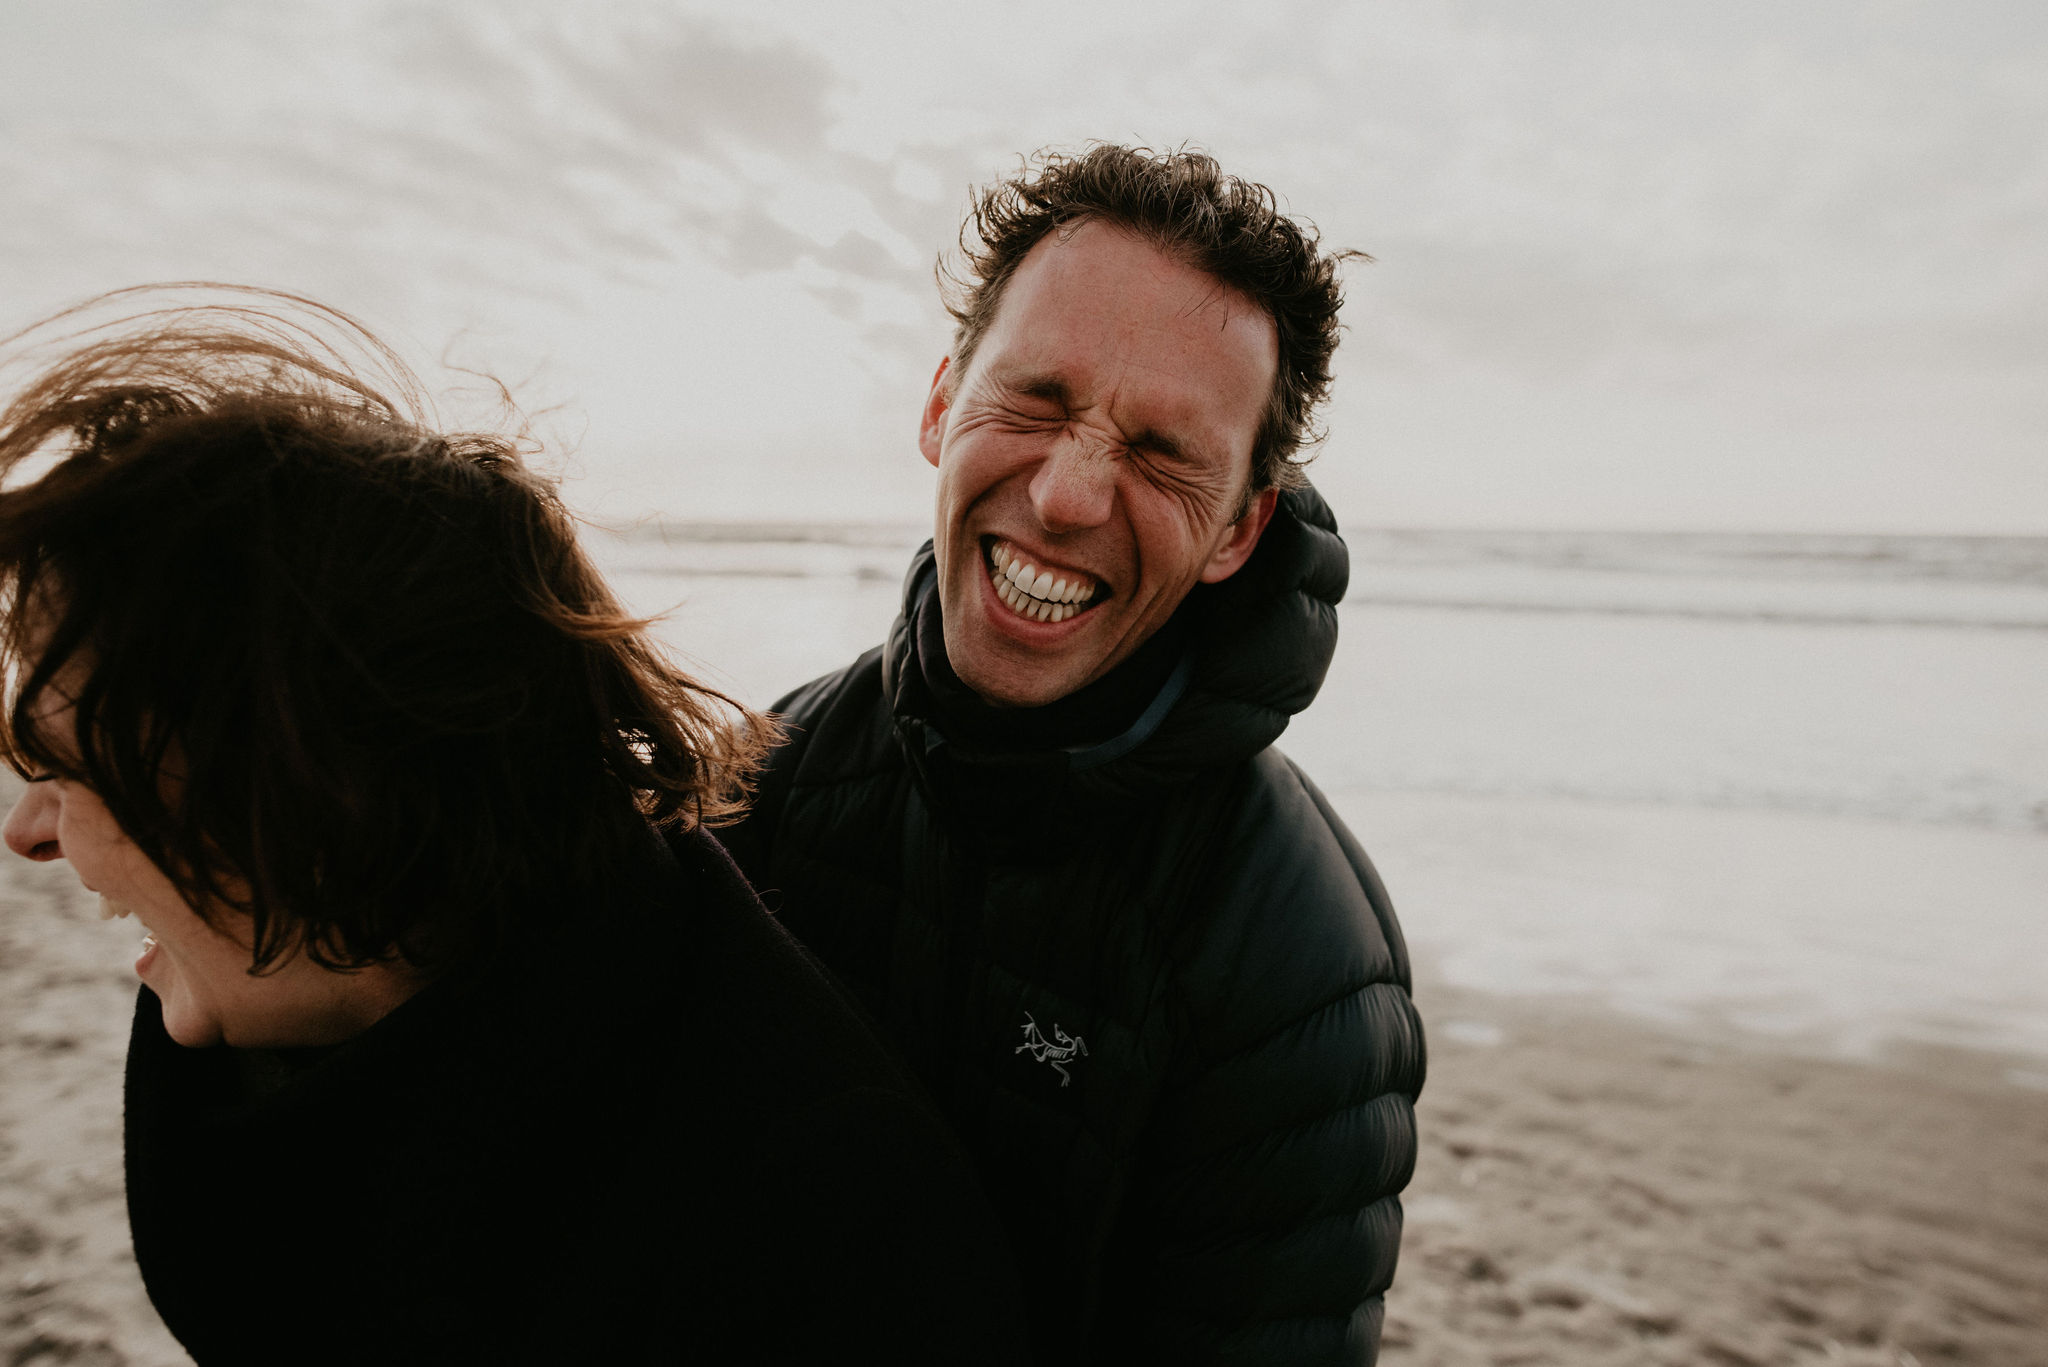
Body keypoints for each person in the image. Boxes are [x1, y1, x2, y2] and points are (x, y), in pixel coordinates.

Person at [0, 289, 1028, 1366]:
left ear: (314, 792)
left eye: (74, 770)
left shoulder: (810, 1247)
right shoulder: (284, 1064)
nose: (27, 830)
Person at [723, 144, 1427, 1365]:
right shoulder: (770, 778)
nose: (1065, 495)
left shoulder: (1295, 965)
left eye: (1161, 453)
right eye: (1035, 402)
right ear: (941, 405)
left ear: (1238, 528)